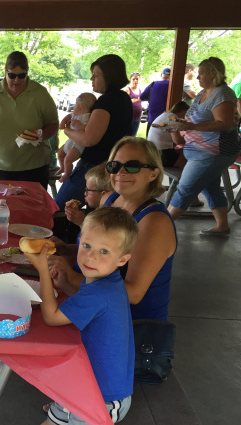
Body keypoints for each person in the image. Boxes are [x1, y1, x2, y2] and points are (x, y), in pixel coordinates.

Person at [0, 206, 138, 425]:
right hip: (88, 383)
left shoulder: (100, 292)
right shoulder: (107, 282)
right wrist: (66, 285)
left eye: (104, 251)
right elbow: (86, 304)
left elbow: (53, 317)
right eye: (87, 245)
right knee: (56, 420)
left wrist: (43, 271)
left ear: (123, 259)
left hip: (101, 398)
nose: (90, 256)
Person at [53, 137, 177, 324]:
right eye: (114, 166)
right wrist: (67, 249)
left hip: (130, 325)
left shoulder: (154, 222)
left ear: (153, 174)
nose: (120, 172)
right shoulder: (110, 199)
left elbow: (134, 293)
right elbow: (107, 250)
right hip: (94, 304)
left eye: (132, 166)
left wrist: (71, 277)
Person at [169, 57, 241, 236]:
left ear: (213, 73)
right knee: (211, 186)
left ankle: (157, 227)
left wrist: (191, 127)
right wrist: (181, 123)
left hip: (212, 150)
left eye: (201, 73)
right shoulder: (203, 93)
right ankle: (222, 226)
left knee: (185, 188)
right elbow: (197, 116)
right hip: (198, 149)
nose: (198, 77)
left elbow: (223, 123)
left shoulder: (223, 94)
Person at [54, 54, 133, 210]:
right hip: (112, 166)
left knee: (60, 208)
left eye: (96, 75)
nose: (91, 79)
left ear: (109, 77)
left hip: (94, 166)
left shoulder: (106, 102)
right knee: (97, 211)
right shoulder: (123, 98)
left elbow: (89, 139)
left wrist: (67, 130)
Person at [0, 51, 59, 189]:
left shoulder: (40, 93)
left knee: (33, 206)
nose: (16, 80)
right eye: (12, 75)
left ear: (27, 72)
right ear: (5, 71)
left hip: (34, 165)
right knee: (2, 205)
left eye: (21, 75)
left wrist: (40, 135)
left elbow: (54, 124)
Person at [56, 93, 97, 183]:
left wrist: (79, 126)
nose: (74, 107)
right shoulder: (73, 114)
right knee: (60, 153)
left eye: (75, 105)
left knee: (68, 159)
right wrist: (62, 124)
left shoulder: (87, 117)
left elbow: (86, 129)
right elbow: (65, 120)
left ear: (80, 108)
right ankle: (62, 167)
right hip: (70, 141)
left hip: (78, 146)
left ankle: (67, 174)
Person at [146, 101, 190, 167]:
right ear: (182, 111)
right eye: (186, 114)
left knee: (181, 151)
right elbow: (178, 141)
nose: (186, 117)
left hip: (152, 151)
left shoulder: (166, 115)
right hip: (162, 154)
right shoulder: (172, 118)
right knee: (189, 162)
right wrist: (192, 138)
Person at [140, 67, 171, 138]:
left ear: (161, 75)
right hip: (167, 120)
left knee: (150, 144)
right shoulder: (173, 86)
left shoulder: (153, 84)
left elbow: (141, 97)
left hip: (152, 119)